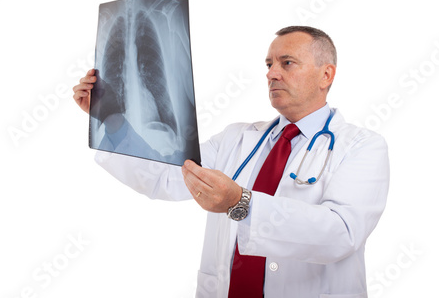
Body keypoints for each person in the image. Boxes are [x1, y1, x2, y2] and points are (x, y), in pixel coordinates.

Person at [72, 26, 389, 298]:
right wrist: (110, 120)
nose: (271, 73)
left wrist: (243, 203)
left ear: (326, 75)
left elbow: (342, 233)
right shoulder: (237, 138)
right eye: (268, 64)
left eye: (287, 62)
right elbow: (166, 178)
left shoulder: (362, 146)